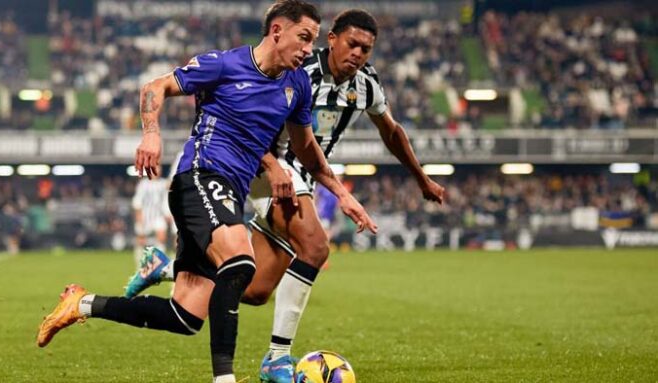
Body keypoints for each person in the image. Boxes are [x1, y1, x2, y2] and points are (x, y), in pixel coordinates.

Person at [36, 2, 376, 383]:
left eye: (312, 40)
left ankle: (81, 304)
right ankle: (224, 379)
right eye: (303, 38)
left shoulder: (296, 84)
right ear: (277, 31)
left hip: (230, 191)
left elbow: (307, 148)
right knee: (241, 262)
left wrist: (342, 194)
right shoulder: (224, 65)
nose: (307, 49)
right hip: (198, 176)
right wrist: (151, 133)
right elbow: (156, 86)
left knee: (185, 316)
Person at [122, 9, 444, 382]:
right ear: (333, 40)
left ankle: (165, 270)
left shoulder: (367, 85)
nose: (357, 53)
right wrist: (273, 167)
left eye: (366, 49)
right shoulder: (298, 69)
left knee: (256, 289)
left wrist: (420, 178)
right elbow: (241, 120)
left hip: (303, 173)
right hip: (267, 167)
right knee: (315, 245)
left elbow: (392, 132)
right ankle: (277, 358)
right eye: (352, 43)